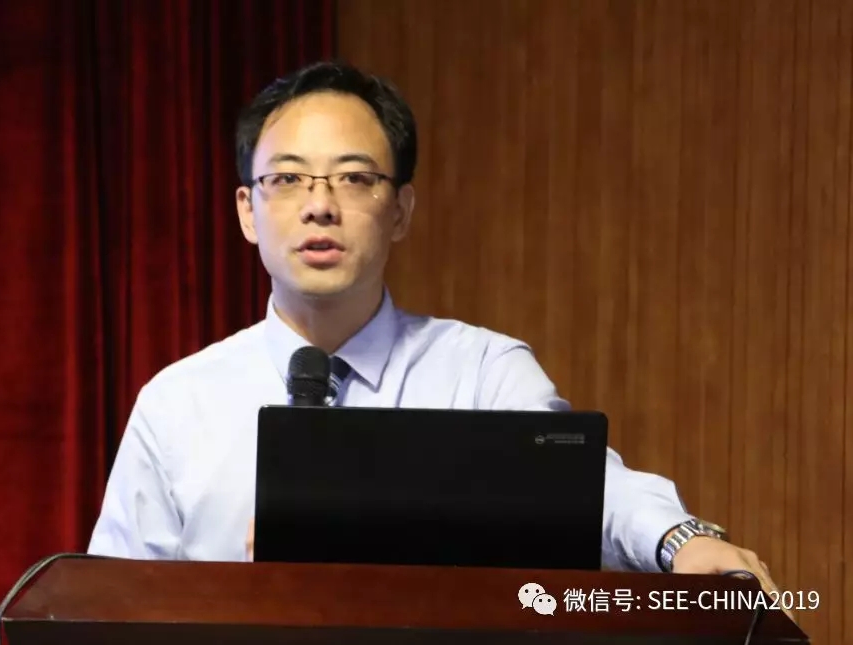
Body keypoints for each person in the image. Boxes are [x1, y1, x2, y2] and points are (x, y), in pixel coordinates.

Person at [86, 61, 782, 597]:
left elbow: (590, 491)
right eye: (289, 179)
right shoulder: (178, 405)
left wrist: (681, 539)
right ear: (247, 210)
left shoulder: (481, 373)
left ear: (401, 211)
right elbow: (108, 604)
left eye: (354, 178)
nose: (320, 206)